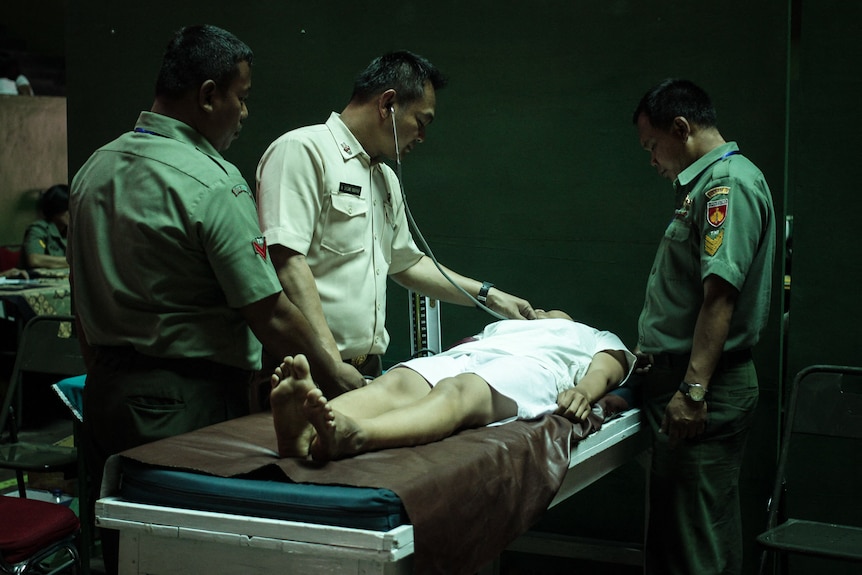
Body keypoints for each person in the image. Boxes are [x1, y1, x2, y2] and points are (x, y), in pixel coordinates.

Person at [67, 25, 365, 573]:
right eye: (242, 97)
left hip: (106, 396)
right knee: (194, 549)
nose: (245, 113)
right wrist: (337, 372)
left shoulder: (92, 170)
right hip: (189, 406)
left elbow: (81, 307)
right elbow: (269, 311)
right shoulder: (212, 182)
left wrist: (114, 375)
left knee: (124, 546)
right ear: (208, 96)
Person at [256, 51, 536, 379]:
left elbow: (407, 263)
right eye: (421, 122)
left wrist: (490, 295)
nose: (422, 137)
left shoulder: (385, 178)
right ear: (388, 104)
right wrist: (329, 362)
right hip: (307, 367)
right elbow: (287, 261)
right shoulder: (302, 150)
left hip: (366, 367)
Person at [631, 78, 776, 575]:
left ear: (681, 127)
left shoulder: (725, 186)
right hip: (685, 385)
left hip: (703, 390)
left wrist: (692, 390)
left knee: (693, 547)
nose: (652, 161)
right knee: (694, 533)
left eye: (653, 146)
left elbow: (721, 296)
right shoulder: (706, 187)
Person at [269, 309, 635, 461]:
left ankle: (358, 434)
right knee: (397, 383)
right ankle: (302, 433)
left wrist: (583, 393)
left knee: (458, 390)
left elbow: (608, 369)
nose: (540, 313)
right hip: (475, 352)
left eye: (549, 311)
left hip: (534, 368)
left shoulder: (588, 335)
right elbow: (468, 345)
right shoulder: (504, 326)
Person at [21, 184, 70, 270]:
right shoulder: (39, 229)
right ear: (56, 209)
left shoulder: (70, 231)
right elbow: (34, 260)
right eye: (67, 209)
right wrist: (71, 262)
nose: (72, 214)